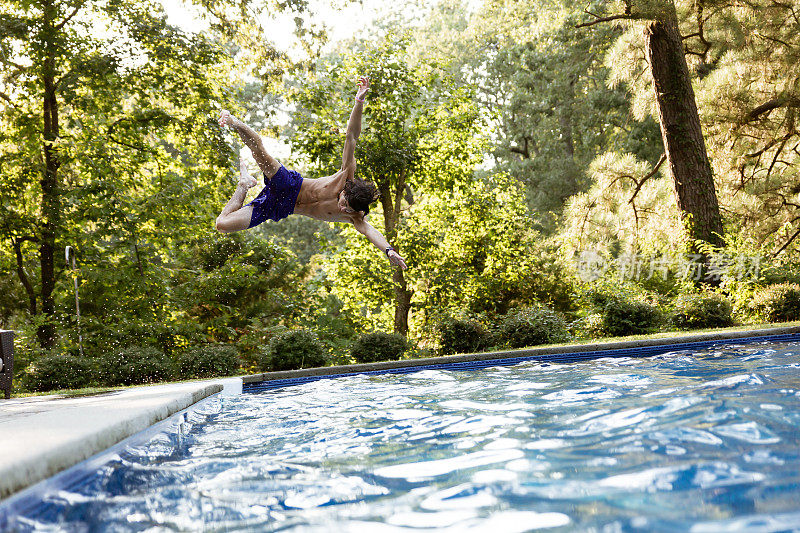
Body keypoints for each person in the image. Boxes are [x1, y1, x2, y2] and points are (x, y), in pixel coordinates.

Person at [215, 76, 407, 270]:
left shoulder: (354, 216)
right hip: (289, 185)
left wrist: (389, 250)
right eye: (345, 203)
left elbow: (369, 230)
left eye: (348, 210)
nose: (343, 210)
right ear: (346, 190)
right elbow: (351, 136)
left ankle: (244, 184)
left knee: (222, 224)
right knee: (259, 153)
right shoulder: (345, 174)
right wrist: (359, 102)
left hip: (279, 206)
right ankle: (234, 121)